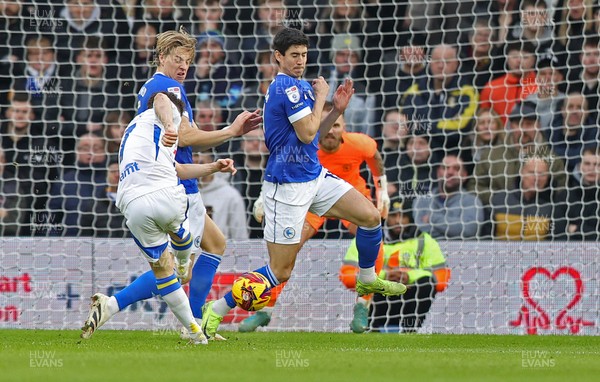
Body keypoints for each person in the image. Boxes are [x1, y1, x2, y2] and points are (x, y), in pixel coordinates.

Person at [200, 28, 406, 340]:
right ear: (278, 57)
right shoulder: (287, 87)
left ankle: (366, 279)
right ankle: (217, 308)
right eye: (294, 55)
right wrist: (323, 94)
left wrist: (335, 109)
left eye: (304, 54)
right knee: (280, 271)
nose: (300, 60)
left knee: (369, 216)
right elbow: (309, 134)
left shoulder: (297, 86)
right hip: (287, 187)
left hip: (313, 175)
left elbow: (311, 133)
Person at [81, 28, 261, 341]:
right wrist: (231, 131)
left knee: (215, 244)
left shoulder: (154, 85)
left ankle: (180, 318)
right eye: (177, 59)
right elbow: (186, 135)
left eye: (188, 62)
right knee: (181, 269)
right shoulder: (168, 87)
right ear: (162, 57)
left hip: (168, 175)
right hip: (177, 186)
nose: (183, 66)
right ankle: (129, 308)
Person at [81, 91, 236, 345]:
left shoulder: (136, 134)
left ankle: (193, 328)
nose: (186, 126)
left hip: (131, 202)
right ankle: (186, 317)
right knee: (179, 268)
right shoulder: (165, 107)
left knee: (205, 248)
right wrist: (171, 123)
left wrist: (213, 167)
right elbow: (162, 99)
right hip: (167, 194)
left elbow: (178, 168)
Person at [238, 102, 390, 333]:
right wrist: (262, 197)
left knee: (372, 236)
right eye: (326, 126)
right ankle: (265, 309)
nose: (331, 131)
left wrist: (382, 190)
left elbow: (375, 158)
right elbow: (280, 165)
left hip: (350, 195)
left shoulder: (359, 144)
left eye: (337, 125)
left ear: (344, 126)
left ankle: (363, 305)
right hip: (312, 196)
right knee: (289, 246)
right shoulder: (305, 146)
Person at [342, 196, 448, 333]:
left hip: (410, 296)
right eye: (393, 215)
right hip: (379, 297)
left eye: (403, 216)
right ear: (385, 216)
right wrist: (385, 276)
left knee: (426, 282)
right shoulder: (367, 237)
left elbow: (441, 279)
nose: (398, 221)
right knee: (373, 284)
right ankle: (371, 329)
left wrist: (408, 276)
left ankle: (409, 331)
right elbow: (347, 276)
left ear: (410, 217)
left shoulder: (424, 240)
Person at [413, 154, 484, 240]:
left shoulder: (472, 201)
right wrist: (453, 231)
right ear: (438, 173)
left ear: (464, 176)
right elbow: (421, 230)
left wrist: (432, 218)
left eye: (456, 168)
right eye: (445, 168)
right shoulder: (422, 200)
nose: (450, 172)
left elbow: (469, 230)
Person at [195, 151, 249, 239]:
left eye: (201, 163)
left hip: (222, 250)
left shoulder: (231, 195)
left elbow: (240, 236)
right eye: (192, 162)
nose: (196, 165)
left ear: (211, 161)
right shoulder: (182, 191)